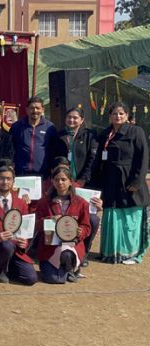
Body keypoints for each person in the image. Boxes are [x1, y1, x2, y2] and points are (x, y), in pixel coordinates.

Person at [91, 102, 150, 264]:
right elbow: (98, 160)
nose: (118, 117)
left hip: (129, 182)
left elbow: (143, 157)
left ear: (127, 115)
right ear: (109, 116)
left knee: (129, 219)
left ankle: (131, 253)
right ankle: (111, 252)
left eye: (121, 114)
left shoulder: (136, 131)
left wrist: (136, 182)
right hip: (110, 182)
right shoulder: (105, 134)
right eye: (114, 114)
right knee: (112, 215)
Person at [0, 165, 37, 285]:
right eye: (1, 178)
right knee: (6, 245)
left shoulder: (21, 204)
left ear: (14, 181)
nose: (5, 182)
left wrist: (24, 243)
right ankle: (0, 270)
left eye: (9, 179)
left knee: (30, 279)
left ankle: (9, 266)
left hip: (15, 249)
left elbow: (26, 230)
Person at [35, 166, 91, 283]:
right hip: (50, 247)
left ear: (71, 181)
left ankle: (70, 266)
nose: (60, 183)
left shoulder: (81, 203)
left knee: (66, 254)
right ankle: (65, 270)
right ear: (52, 181)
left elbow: (86, 226)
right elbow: (36, 226)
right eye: (56, 179)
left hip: (71, 245)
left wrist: (80, 231)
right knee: (56, 280)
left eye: (63, 179)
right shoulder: (43, 202)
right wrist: (50, 220)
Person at [47, 108, 98, 187]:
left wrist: (83, 179)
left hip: (85, 181)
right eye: (69, 117)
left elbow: (92, 159)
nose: (71, 120)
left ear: (81, 120)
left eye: (75, 118)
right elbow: (53, 158)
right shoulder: (59, 136)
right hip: (64, 182)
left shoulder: (89, 135)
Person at [10, 97, 57, 177]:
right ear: (27, 110)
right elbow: (11, 149)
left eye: (38, 108)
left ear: (42, 109)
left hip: (43, 174)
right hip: (21, 173)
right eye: (32, 108)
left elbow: (53, 150)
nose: (35, 111)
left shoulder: (50, 127)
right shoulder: (17, 127)